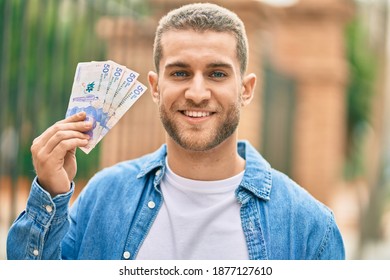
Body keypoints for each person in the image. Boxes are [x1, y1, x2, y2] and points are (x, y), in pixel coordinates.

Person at [7, 3, 345, 260]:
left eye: (217, 74)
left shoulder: (311, 228)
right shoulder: (102, 198)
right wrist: (50, 194)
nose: (197, 92)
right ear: (155, 86)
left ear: (246, 89)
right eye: (180, 73)